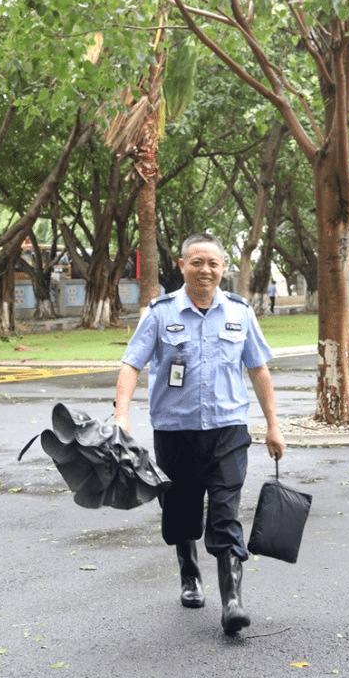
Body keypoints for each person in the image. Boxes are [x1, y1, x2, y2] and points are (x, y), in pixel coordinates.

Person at [114, 232, 285, 635]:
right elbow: (130, 365)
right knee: (181, 513)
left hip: (228, 432)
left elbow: (259, 369)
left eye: (213, 263)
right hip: (175, 432)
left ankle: (233, 602)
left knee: (225, 514)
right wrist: (121, 417)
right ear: (182, 265)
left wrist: (274, 425)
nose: (205, 270)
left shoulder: (240, 313)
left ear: (223, 268)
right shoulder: (159, 312)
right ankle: (189, 573)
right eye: (197, 263)